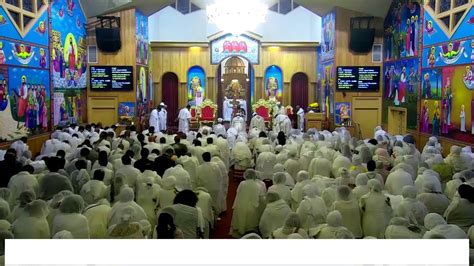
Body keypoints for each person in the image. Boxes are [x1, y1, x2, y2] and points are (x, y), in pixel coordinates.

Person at [231, 169, 266, 238]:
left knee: (240, 221)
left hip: (240, 205)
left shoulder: (242, 183)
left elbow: (238, 193)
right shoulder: (258, 186)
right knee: (249, 225)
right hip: (252, 208)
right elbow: (261, 198)